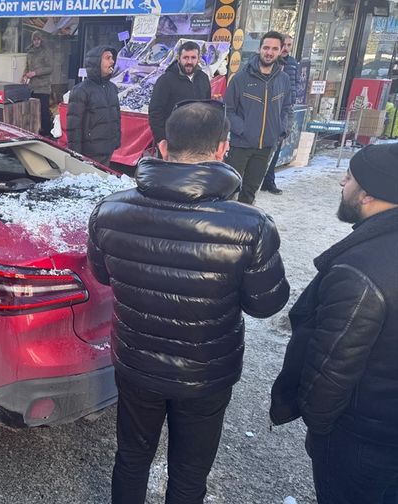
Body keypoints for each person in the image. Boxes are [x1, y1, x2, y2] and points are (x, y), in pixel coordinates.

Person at [88, 101, 290, 504]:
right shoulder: (250, 225)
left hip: (136, 362)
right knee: (189, 472)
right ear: (222, 148)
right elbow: (266, 304)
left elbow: (102, 275)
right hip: (206, 373)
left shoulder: (110, 210)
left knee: (131, 457)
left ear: (163, 146)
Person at [270, 143, 398, 504]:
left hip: (363, 437)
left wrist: (320, 426)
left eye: (351, 178)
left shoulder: (359, 271)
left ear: (370, 193)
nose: (342, 181)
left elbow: (333, 365)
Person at [225, 31, 293, 205]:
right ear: (259, 49)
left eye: (274, 49)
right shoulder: (240, 79)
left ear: (280, 51)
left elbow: (286, 108)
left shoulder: (283, 80)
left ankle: (243, 227)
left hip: (266, 147)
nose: (269, 52)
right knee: (229, 189)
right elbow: (228, 110)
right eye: (266, 48)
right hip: (241, 145)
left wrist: (281, 130)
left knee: (250, 191)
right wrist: (243, 130)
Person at [148, 41, 211, 152]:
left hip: (198, 142)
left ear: (199, 58)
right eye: (185, 58)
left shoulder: (204, 79)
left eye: (193, 57)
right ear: (178, 58)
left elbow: (207, 107)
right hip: (172, 143)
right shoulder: (165, 80)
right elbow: (155, 112)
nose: (189, 62)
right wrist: (161, 140)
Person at [66, 45, 121, 167]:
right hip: (89, 151)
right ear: (96, 62)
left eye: (112, 58)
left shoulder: (112, 88)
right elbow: (73, 125)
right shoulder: (81, 90)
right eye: (107, 58)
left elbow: (116, 116)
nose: (112, 61)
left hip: (108, 148)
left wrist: (116, 140)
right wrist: (75, 153)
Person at [261, 35, 300, 195]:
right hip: (268, 109)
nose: (286, 48)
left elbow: (295, 84)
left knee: (275, 149)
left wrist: (286, 126)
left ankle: (269, 181)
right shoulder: (267, 65)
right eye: (284, 45)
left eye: (289, 45)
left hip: (284, 107)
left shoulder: (292, 63)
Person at [23, 30, 53, 137]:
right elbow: (27, 66)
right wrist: (24, 76)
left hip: (43, 87)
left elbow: (50, 68)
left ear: (41, 40)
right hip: (32, 87)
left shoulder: (46, 51)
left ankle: (47, 133)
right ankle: (35, 130)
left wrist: (35, 73)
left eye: (38, 39)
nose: (36, 41)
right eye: (34, 39)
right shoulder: (29, 51)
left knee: (44, 111)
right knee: (33, 111)